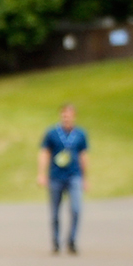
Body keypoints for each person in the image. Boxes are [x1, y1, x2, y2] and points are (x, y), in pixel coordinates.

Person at [38, 103, 88, 254]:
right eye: (64, 114)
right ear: (61, 115)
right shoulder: (52, 133)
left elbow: (83, 155)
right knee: (55, 212)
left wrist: (86, 177)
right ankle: (56, 242)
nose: (66, 117)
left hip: (74, 175)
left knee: (76, 209)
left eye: (69, 114)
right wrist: (41, 173)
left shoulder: (80, 134)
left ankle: (72, 240)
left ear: (74, 116)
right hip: (56, 176)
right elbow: (45, 153)